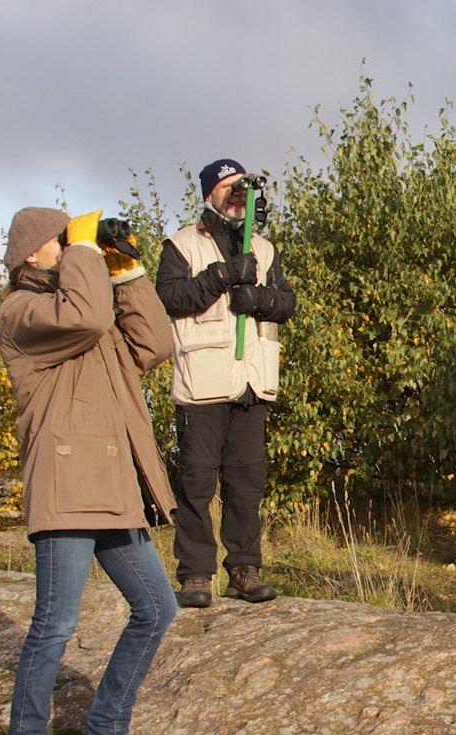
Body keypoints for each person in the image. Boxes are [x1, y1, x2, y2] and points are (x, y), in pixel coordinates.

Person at [0, 206, 178, 735]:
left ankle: (105, 734)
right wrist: (83, 248)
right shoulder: (24, 314)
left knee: (157, 607)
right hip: (67, 488)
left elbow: (152, 344)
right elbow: (87, 313)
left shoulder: (82, 305)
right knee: (55, 625)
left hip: (112, 489)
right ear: (30, 252)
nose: (75, 246)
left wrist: (127, 272)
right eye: (61, 240)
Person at [156, 159, 296, 608]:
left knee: (246, 482)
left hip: (253, 381)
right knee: (197, 482)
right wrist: (222, 276)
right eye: (229, 187)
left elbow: (287, 303)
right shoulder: (181, 245)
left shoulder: (264, 248)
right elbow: (170, 299)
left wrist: (259, 298)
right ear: (209, 194)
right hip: (203, 381)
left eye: (244, 188)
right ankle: (196, 574)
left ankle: (244, 569)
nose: (239, 194)